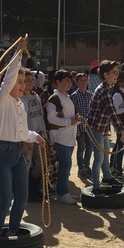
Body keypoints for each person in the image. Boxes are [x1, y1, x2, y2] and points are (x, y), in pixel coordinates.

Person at [0, 38, 46, 236]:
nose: (22, 85)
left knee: (22, 196)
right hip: (1, 151)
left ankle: (13, 230)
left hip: (15, 152)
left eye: (24, 82)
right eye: (19, 82)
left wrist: (35, 137)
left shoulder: (20, 104)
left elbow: (22, 132)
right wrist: (18, 53)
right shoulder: (0, 99)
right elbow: (9, 76)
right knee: (5, 199)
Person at [86, 60, 124, 195]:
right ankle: (96, 186)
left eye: (117, 72)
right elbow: (112, 113)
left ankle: (107, 177)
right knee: (99, 157)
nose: (117, 75)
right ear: (105, 74)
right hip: (96, 128)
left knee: (103, 155)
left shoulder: (107, 88)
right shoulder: (103, 90)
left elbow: (110, 114)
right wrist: (122, 130)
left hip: (102, 128)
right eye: (114, 73)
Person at [45, 70, 78, 205]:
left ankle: (62, 191)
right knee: (65, 165)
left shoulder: (67, 98)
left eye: (70, 81)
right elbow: (51, 118)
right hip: (60, 137)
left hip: (69, 137)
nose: (69, 83)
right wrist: (69, 122)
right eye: (66, 81)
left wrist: (76, 120)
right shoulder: (54, 99)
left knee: (66, 165)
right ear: (58, 82)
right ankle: (62, 193)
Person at [20, 70, 48, 203]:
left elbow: (40, 116)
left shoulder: (36, 96)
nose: (31, 83)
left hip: (39, 134)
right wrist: (23, 141)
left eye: (32, 80)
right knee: (27, 164)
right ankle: (27, 192)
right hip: (27, 137)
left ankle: (36, 188)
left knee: (40, 164)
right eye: (27, 80)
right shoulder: (20, 99)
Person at [110, 71, 124, 182]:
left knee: (119, 148)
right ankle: (117, 171)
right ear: (120, 83)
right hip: (121, 125)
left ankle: (114, 169)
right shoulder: (118, 95)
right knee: (120, 149)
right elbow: (113, 110)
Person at [70, 72, 93, 178]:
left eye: (85, 80)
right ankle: (80, 168)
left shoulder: (90, 95)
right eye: (81, 81)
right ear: (76, 82)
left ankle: (87, 165)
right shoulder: (73, 96)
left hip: (89, 128)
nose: (83, 82)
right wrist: (77, 129)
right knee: (80, 149)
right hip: (79, 127)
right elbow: (73, 113)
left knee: (89, 148)